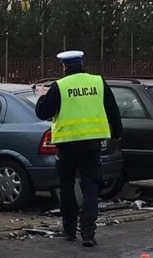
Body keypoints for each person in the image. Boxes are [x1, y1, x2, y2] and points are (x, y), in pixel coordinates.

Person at [35, 50, 122, 247]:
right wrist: (117, 133)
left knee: (66, 186)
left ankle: (69, 230)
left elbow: (43, 113)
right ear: (81, 63)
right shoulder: (98, 82)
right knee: (91, 187)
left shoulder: (60, 86)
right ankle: (89, 233)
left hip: (67, 145)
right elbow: (112, 109)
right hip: (92, 144)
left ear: (64, 67)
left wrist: (41, 97)